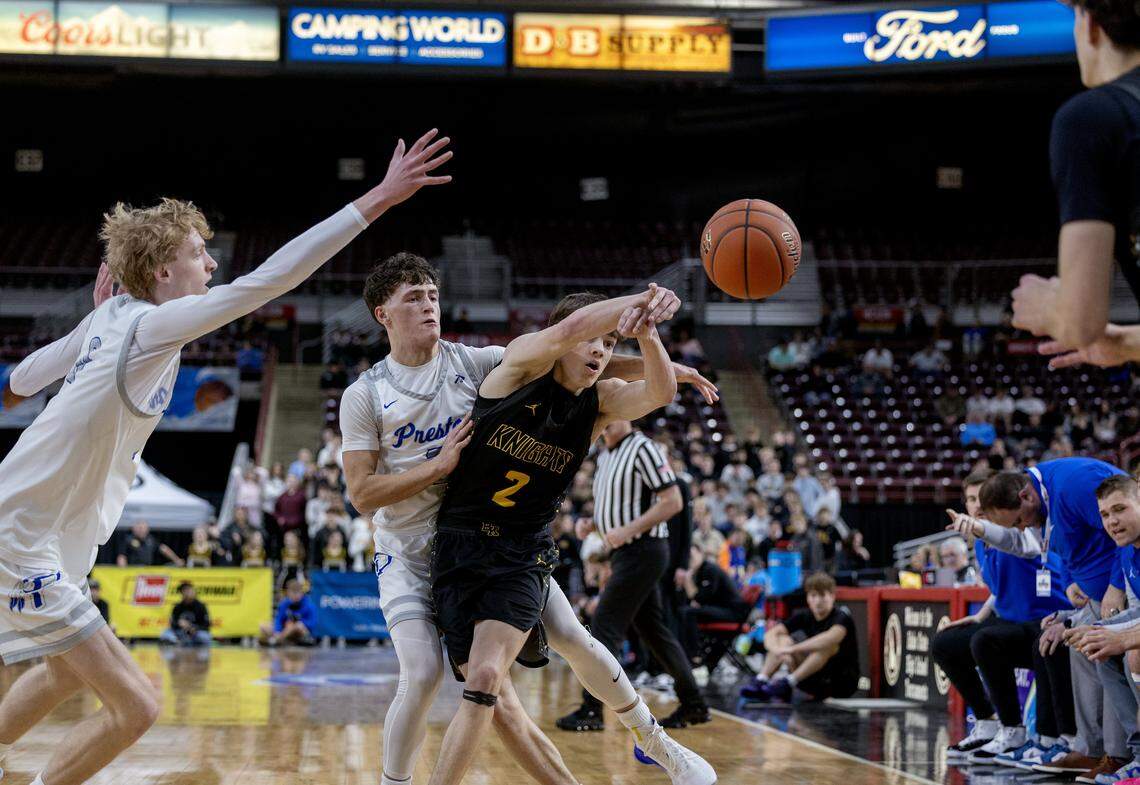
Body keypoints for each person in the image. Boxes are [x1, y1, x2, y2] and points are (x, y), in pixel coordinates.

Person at [0, 127, 450, 785]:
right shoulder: (149, 324)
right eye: (199, 253)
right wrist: (378, 198)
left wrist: (93, 323)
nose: (212, 265)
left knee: (64, 672)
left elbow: (20, 380)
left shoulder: (115, 319)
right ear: (162, 271)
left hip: (34, 532)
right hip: (21, 537)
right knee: (138, 704)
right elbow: (272, 280)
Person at [339, 258, 717, 785]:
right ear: (383, 314)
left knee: (562, 641)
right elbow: (359, 495)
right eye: (414, 297)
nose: (430, 305)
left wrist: (661, 357)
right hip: (420, 545)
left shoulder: (473, 363)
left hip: (514, 543)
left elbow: (594, 356)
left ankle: (655, 740)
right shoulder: (367, 393)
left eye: (433, 294)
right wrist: (439, 466)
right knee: (440, 680)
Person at [979, 460, 1137, 781]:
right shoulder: (1045, 500)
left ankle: (1122, 754)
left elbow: (1122, 534)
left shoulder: (1075, 484)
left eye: (1020, 520)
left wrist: (1115, 587)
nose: (1022, 528)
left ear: (1026, 496)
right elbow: (1060, 547)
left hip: (1117, 589)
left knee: (1111, 648)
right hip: (1094, 594)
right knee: (1081, 644)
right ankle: (1093, 750)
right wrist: (1068, 582)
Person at [1012, 0, 1140, 369]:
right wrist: (1126, 344)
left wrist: (1050, 305)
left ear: (1091, 25)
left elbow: (1080, 322)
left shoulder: (1091, 119)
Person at [560, 420, 710, 732]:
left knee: (603, 626)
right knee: (653, 630)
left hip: (645, 550)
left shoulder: (643, 448)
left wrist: (627, 530)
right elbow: (617, 515)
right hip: (627, 552)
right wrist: (594, 524)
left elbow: (674, 502)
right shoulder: (604, 455)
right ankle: (694, 703)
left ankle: (592, 709)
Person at [939, 469, 1076, 766]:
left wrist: (981, 527)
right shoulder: (979, 543)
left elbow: (1025, 548)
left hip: (1044, 618)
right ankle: (988, 723)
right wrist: (981, 615)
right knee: (946, 644)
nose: (976, 506)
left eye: (981, 498)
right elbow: (998, 587)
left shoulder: (1023, 530)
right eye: (971, 499)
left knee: (990, 640)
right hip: (1012, 621)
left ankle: (1025, 732)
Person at [739, 572, 859, 702]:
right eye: (814, 595)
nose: (818, 601)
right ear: (807, 598)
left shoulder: (842, 617)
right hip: (811, 680)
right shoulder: (805, 615)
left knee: (828, 646)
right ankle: (762, 679)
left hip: (840, 683)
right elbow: (771, 634)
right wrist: (779, 651)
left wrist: (792, 650)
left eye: (822, 595)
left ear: (832, 596)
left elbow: (830, 638)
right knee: (782, 639)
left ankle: (788, 682)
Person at [677, 545, 751, 668]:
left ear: (701, 554)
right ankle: (690, 655)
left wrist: (687, 579)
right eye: (688, 558)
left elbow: (700, 599)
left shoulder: (710, 569)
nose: (690, 560)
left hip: (733, 613)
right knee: (685, 611)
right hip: (722, 610)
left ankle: (694, 656)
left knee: (688, 612)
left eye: (692, 556)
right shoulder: (700, 571)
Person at [261, 579, 317, 646]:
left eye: (298, 592)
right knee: (263, 625)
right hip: (285, 630)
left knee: (297, 626)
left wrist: (298, 622)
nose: (296, 596)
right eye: (293, 593)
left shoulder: (309, 605)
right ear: (288, 593)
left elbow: (312, 623)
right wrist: (277, 631)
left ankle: (277, 640)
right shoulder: (284, 604)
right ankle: (280, 639)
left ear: (302, 593)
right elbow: (279, 620)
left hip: (300, 632)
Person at [159, 582, 212, 647]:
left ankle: (183, 643)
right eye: (185, 591)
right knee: (165, 634)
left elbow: (207, 624)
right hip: (181, 633)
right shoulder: (177, 607)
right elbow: (173, 624)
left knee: (204, 637)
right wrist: (179, 623)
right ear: (182, 593)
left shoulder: (201, 606)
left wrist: (194, 628)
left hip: (195, 633)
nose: (188, 593)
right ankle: (177, 642)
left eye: (189, 590)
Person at [117, 520, 181, 567]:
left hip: (147, 570)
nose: (141, 530)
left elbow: (164, 549)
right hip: (133, 570)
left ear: (147, 529)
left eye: (143, 528)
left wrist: (177, 560)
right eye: (139, 528)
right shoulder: (128, 540)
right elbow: (122, 557)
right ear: (133, 528)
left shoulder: (151, 539)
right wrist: (124, 571)